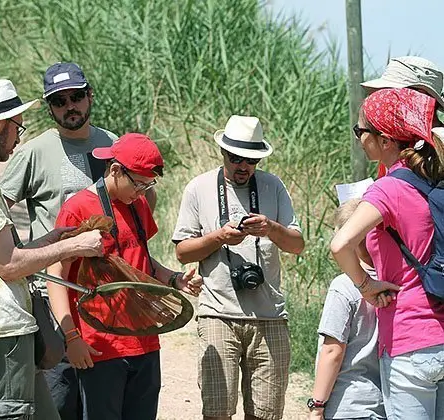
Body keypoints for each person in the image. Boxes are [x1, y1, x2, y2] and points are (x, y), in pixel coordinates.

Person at [0, 79, 104, 419]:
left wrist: (48, 241)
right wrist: (73, 246)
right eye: (17, 127)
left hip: (3, 328)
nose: (18, 139)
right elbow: (8, 264)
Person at [0, 62, 155, 420]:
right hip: (56, 297)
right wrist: (23, 259)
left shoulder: (113, 145)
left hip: (111, 301)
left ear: (90, 96)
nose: (70, 106)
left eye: (76, 97)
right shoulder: (34, 152)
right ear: (49, 106)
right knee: (61, 401)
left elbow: (139, 207)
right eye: (59, 101)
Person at [46, 133, 202, 420]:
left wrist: (174, 279)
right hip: (99, 344)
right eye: (139, 183)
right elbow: (56, 274)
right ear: (116, 170)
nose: (142, 192)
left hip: (144, 338)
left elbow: (138, 260)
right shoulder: (77, 208)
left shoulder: (138, 205)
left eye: (148, 184)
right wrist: (71, 337)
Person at [172, 115, 305, 420]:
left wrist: (271, 228)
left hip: (269, 315)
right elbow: (182, 252)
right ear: (223, 153)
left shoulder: (273, 186)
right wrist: (220, 237)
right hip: (218, 313)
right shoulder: (199, 188)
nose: (243, 166)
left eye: (251, 159)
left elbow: (297, 245)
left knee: (267, 413)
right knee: (217, 411)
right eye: (235, 158)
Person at [331, 88, 444, 420]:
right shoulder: (432, 182)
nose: (358, 139)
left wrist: (366, 286)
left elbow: (340, 244)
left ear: (386, 142)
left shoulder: (388, 188)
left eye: (361, 131)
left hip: (409, 343)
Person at [309, 199, 385, 420]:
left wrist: (317, 406)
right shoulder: (392, 281)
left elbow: (333, 351)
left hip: (348, 403)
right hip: (384, 402)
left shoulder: (344, 286)